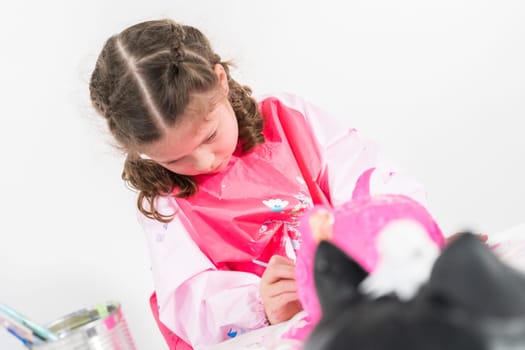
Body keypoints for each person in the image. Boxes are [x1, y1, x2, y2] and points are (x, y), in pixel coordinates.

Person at [89, 19, 433, 349]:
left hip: (360, 313)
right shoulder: (166, 205)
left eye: (210, 135)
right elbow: (189, 300)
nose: (205, 161)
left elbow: (370, 180)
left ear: (220, 80)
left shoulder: (290, 120)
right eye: (176, 159)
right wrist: (257, 304)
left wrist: (378, 242)